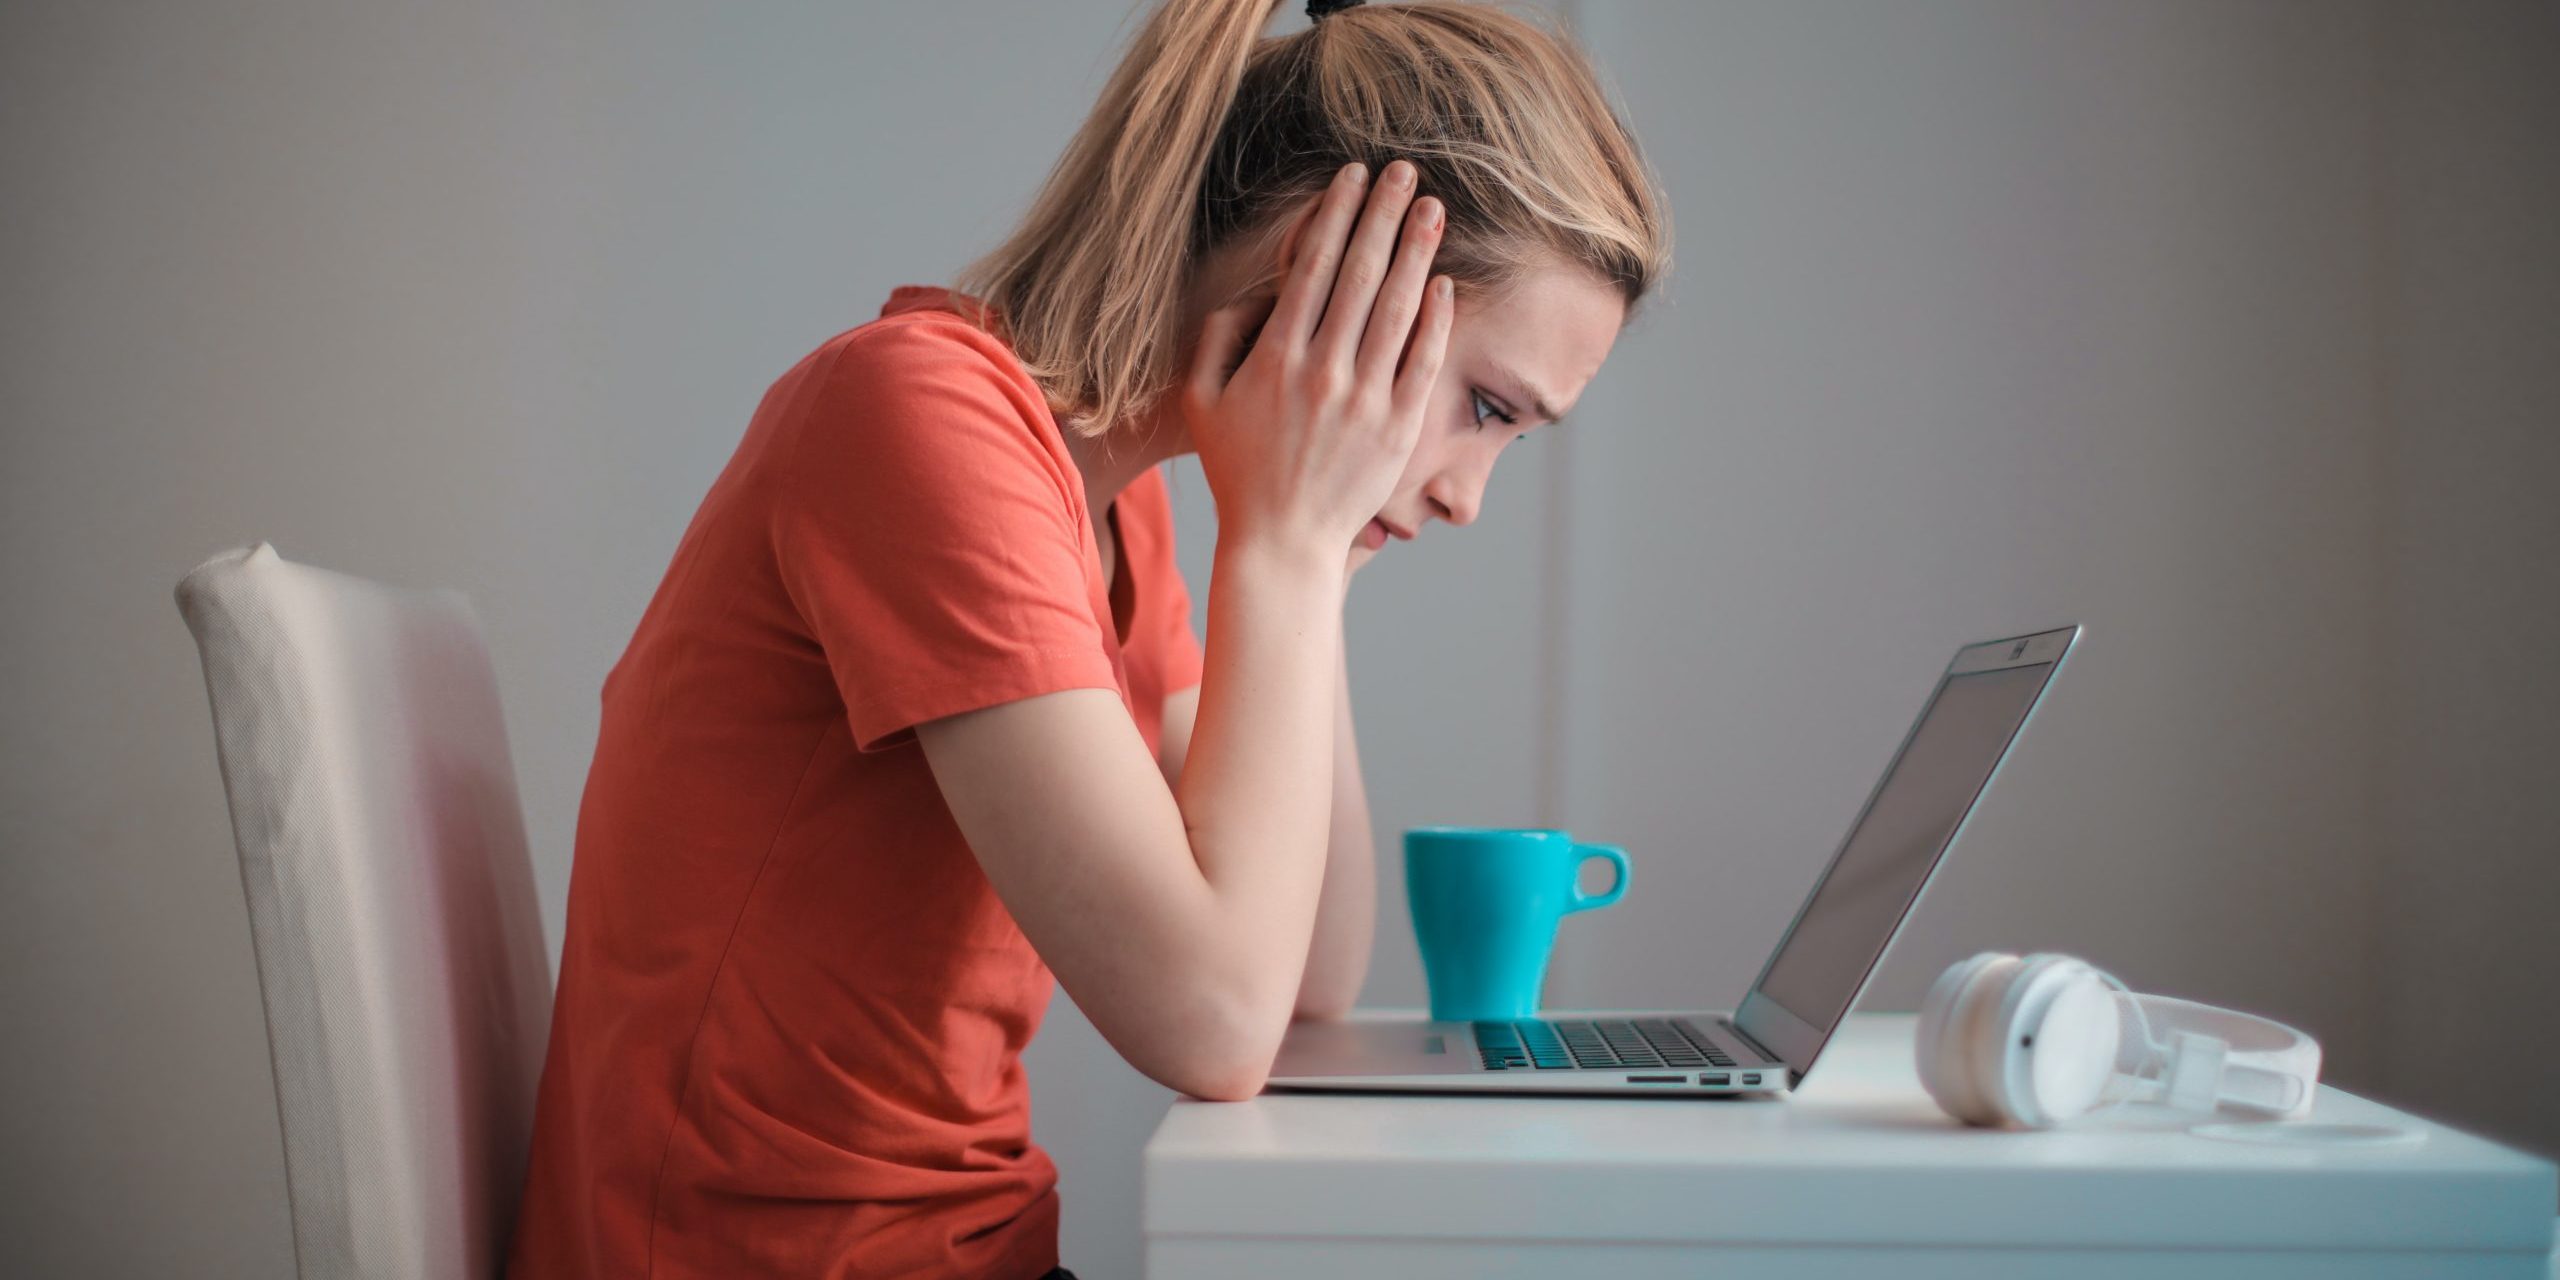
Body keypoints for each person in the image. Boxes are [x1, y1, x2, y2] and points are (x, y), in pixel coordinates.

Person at [504, 0, 1669, 1276]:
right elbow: (1213, 1022)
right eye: (1486, 408)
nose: (1468, 495)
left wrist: (1315, 558)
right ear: (1323, 271)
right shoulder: (920, 420)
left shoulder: (1116, 514)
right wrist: (1282, 551)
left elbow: (1303, 979)